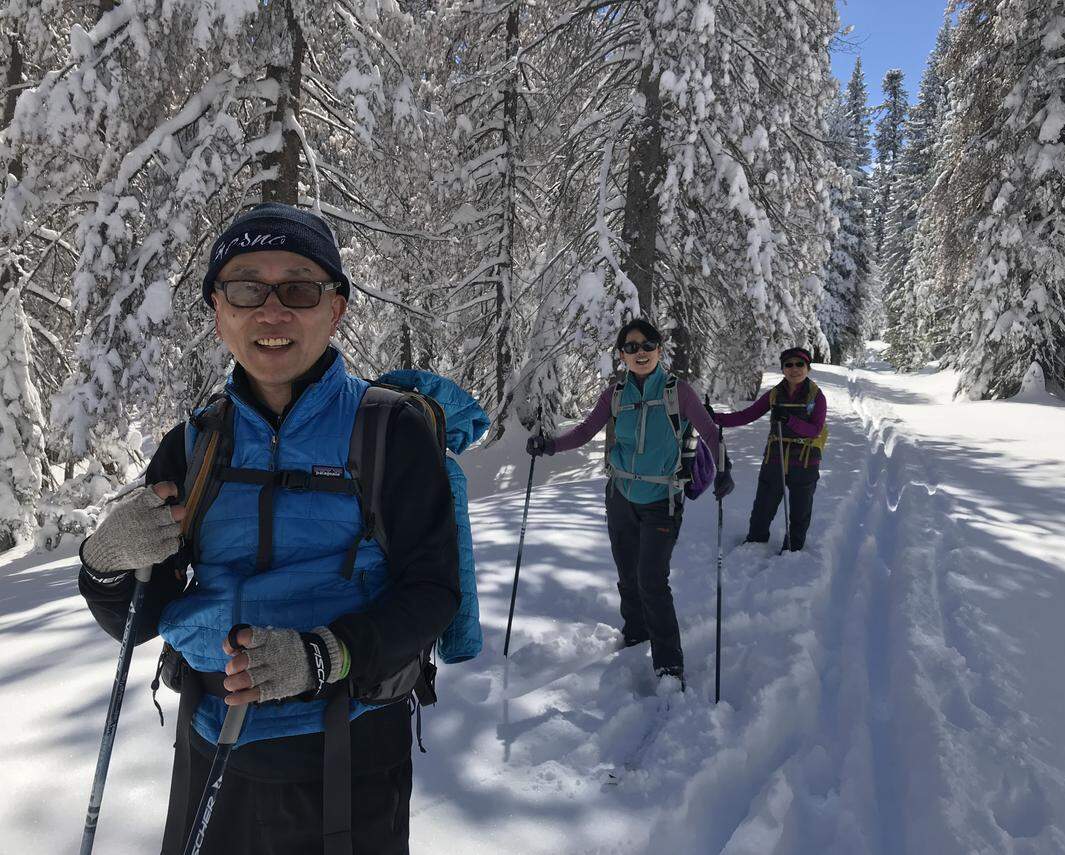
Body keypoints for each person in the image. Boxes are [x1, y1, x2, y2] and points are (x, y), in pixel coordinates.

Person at [77, 202, 461, 855]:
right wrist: (105, 563)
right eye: (246, 288)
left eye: (300, 288)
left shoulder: (389, 431)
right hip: (208, 746)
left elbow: (432, 592)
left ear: (335, 308)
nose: (271, 311)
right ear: (218, 310)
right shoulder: (195, 444)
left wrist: (322, 653)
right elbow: (142, 613)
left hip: (350, 756)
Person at [525, 319, 733, 688]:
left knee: (652, 580)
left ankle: (669, 665)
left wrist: (724, 468)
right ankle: (636, 634)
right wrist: (550, 445)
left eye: (647, 345)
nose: (640, 352)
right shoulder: (615, 394)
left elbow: (709, 431)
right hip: (620, 496)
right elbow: (586, 430)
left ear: (658, 349)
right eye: (631, 347)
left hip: (661, 500)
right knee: (628, 576)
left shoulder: (678, 392)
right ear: (621, 354)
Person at [710, 347, 826, 551]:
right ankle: (755, 542)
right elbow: (747, 415)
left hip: (805, 461)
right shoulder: (775, 394)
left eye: (800, 364)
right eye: (788, 364)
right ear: (783, 369)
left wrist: (789, 420)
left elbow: (815, 430)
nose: (794, 369)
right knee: (763, 506)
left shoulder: (816, 396)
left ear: (808, 367)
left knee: (800, 510)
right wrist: (713, 418)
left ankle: (793, 550)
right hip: (775, 458)